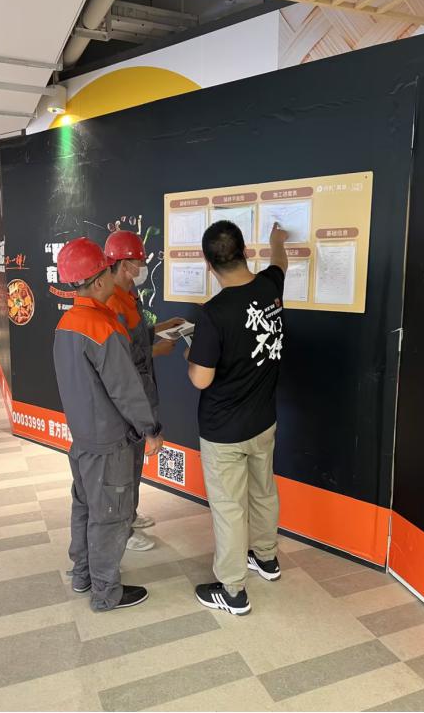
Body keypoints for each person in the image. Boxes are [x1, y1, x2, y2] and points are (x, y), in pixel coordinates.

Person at [53, 237, 163, 612]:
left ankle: (83, 575)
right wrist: (150, 429)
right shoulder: (103, 327)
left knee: (84, 508)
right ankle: (105, 593)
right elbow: (126, 390)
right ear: (100, 279)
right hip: (110, 443)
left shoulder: (66, 323)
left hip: (82, 439)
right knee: (110, 518)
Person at [185, 220, 288, 616]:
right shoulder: (269, 286)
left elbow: (201, 379)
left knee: (229, 508)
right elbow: (280, 263)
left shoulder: (214, 313)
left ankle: (232, 591)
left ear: (208, 263)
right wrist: (277, 241)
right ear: (245, 251)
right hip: (263, 420)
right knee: (263, 491)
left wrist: (191, 355)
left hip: (223, 430)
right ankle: (266, 558)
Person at [104, 230, 184, 551]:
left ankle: (131, 514)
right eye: (138, 262)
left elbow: (137, 336)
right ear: (124, 265)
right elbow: (120, 357)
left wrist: (163, 328)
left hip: (142, 389)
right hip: (128, 396)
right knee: (124, 466)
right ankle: (122, 529)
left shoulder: (129, 294)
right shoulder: (112, 302)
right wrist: (156, 351)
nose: (142, 267)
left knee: (136, 460)